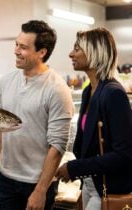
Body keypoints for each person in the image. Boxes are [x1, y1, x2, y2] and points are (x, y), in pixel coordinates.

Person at [0, 20, 74, 210]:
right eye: (16, 44)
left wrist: (40, 191)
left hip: (37, 183)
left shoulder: (57, 89)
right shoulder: (6, 81)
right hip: (6, 179)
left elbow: (58, 145)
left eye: (23, 47)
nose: (16, 50)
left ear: (41, 52)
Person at [55, 28, 132, 210]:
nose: (70, 54)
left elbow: (124, 154)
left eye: (77, 49)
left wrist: (75, 168)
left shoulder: (113, 93)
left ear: (95, 52)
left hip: (108, 189)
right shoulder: (89, 91)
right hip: (90, 184)